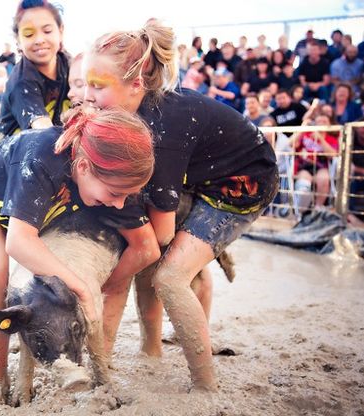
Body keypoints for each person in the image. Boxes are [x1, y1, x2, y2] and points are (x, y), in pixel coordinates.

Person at [82, 21, 278, 391]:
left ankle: (206, 386)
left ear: (136, 84)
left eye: (97, 86)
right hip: (201, 177)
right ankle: (151, 349)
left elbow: (162, 233)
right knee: (151, 255)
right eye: (85, 83)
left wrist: (117, 273)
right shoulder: (137, 111)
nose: (87, 95)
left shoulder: (159, 131)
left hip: (243, 187)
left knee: (169, 275)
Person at [0, 107, 158, 401]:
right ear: (82, 169)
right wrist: (81, 287)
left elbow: (149, 248)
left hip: (44, 209)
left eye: (126, 196)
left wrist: (102, 286)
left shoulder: (111, 177)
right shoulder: (41, 158)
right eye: (116, 195)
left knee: (48, 278)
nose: (119, 205)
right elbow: (17, 242)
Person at [0, 0, 70, 146]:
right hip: (5, 156)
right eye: (29, 34)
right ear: (18, 41)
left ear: (61, 31)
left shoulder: (70, 66)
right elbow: (44, 132)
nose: (39, 40)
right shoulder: (21, 81)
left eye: (47, 31)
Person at [292, 114, 339, 210]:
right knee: (303, 184)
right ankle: (301, 211)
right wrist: (302, 129)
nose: (321, 124)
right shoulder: (306, 134)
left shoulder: (331, 139)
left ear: (329, 125)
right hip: (304, 166)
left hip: (322, 167)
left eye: (324, 122)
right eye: (318, 122)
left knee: (324, 178)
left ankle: (318, 208)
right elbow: (290, 144)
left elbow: (333, 154)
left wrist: (320, 138)